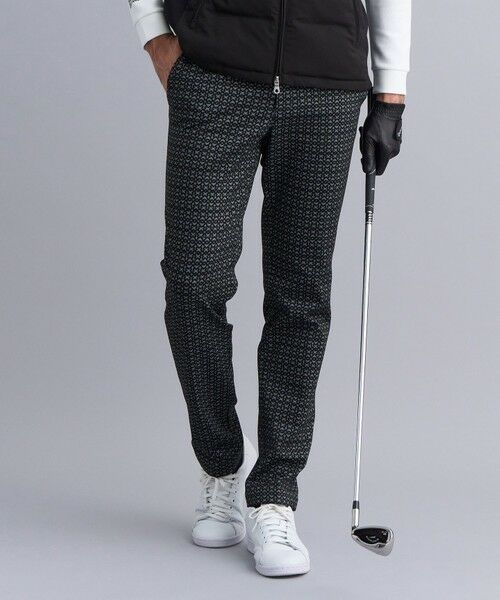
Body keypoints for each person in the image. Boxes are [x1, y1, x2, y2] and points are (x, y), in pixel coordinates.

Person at [128, 0, 411, 577]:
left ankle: (275, 495)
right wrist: (155, 34)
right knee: (193, 281)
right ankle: (221, 464)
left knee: (300, 297)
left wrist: (390, 91)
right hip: (215, 76)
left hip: (325, 88)